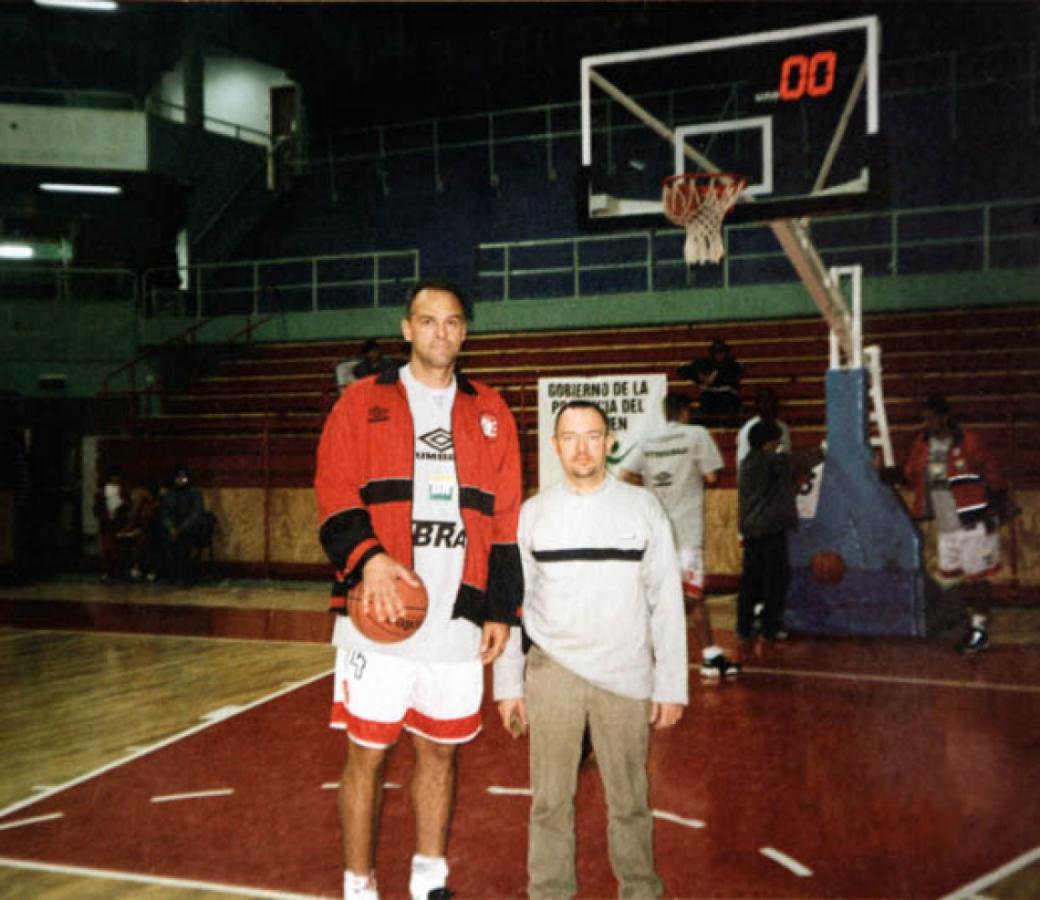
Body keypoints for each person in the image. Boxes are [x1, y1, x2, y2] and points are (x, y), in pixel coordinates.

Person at [314, 279, 523, 900]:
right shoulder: (360, 402)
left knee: (441, 751)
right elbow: (332, 489)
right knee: (368, 754)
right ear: (407, 329)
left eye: (453, 322)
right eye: (428, 321)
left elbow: (507, 518)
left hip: (457, 617)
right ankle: (359, 883)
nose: (440, 333)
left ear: (465, 331)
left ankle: (430, 877)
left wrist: (497, 610)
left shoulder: (491, 411)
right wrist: (369, 559)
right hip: (377, 612)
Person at [494, 400, 688, 900]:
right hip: (552, 672)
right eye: (570, 437)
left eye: (592, 436)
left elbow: (666, 602)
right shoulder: (533, 515)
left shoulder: (642, 509)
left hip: (625, 677)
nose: (582, 447)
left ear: (609, 442)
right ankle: (549, 892)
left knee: (630, 801)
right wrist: (508, 684)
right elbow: (512, 606)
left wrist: (671, 684)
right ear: (556, 446)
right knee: (550, 801)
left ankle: (640, 890)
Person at [620, 392, 740, 678]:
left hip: (655, 533)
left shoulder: (649, 439)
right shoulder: (697, 434)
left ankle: (636, 658)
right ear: (686, 412)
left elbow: (624, 474)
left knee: (651, 597)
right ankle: (709, 657)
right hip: (686, 532)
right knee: (693, 597)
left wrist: (651, 483)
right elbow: (712, 477)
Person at [903, 394, 1010, 654]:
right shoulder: (923, 443)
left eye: (932, 418)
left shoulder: (970, 442)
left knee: (978, 577)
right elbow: (911, 474)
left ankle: (980, 629)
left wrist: (995, 512)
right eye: (924, 418)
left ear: (945, 416)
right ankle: (968, 623)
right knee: (956, 576)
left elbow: (994, 476)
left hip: (974, 520)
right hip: (946, 521)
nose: (927, 423)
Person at [737, 420, 798, 640]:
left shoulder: (746, 462)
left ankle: (743, 626)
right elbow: (801, 461)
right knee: (775, 579)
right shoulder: (774, 462)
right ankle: (769, 627)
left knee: (750, 580)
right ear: (769, 443)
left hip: (751, 528)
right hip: (771, 527)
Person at [160, 465, 210, 582]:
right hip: (172, 529)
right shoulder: (169, 495)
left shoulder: (194, 493)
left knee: (184, 540)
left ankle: (183, 573)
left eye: (183, 477)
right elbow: (164, 515)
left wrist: (181, 529)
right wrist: (171, 528)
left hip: (190, 529)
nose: (181, 480)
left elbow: (196, 514)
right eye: (178, 477)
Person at [677, 338, 744, 419]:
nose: (719, 355)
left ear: (726, 352)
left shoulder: (733, 364)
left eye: (721, 352)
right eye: (716, 352)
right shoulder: (704, 364)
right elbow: (682, 371)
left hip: (727, 398)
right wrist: (699, 375)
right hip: (709, 398)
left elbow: (737, 376)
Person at [736, 387, 791, 467]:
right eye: (765, 404)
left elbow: (786, 457)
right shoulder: (747, 430)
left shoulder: (783, 428)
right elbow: (742, 462)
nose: (768, 408)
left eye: (771, 405)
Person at [93, 467, 129, 581]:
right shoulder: (101, 491)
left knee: (119, 549)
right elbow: (97, 508)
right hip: (107, 524)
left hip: (120, 523)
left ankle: (119, 572)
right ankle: (107, 571)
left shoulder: (123, 491)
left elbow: (128, 506)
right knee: (107, 549)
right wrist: (104, 516)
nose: (115, 478)